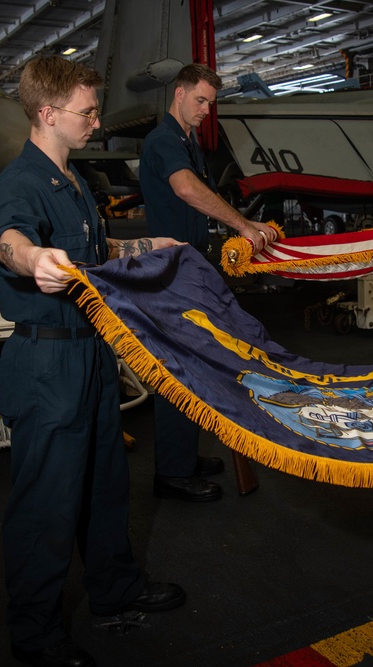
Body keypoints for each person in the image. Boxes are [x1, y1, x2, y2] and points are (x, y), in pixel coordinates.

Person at [0, 55, 186, 667]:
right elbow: (8, 241)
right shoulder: (20, 182)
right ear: (47, 113)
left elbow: (97, 252)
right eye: (87, 110)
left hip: (92, 361)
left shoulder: (75, 184)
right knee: (46, 504)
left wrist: (154, 244)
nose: (97, 120)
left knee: (104, 487)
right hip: (49, 369)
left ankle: (114, 591)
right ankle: (35, 633)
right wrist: (31, 261)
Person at [139, 63, 278, 502]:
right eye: (199, 101)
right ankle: (173, 474)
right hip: (170, 271)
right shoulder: (164, 140)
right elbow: (186, 190)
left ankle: (182, 457)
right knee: (178, 369)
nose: (205, 110)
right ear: (178, 94)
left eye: (210, 104)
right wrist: (242, 225)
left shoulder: (186, 140)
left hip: (188, 266)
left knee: (194, 364)